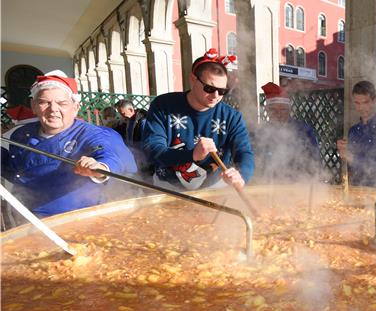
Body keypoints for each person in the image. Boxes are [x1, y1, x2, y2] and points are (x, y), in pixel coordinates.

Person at [1, 71, 136, 217]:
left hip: (81, 219)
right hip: (26, 215)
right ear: (34, 106)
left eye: (62, 103)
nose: (53, 109)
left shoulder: (92, 133)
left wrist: (99, 168)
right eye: (44, 102)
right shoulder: (20, 134)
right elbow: (13, 167)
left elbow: (109, 155)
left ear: (75, 107)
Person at [142, 49, 254, 191]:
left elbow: (244, 151)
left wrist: (242, 175)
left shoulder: (231, 116)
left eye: (222, 91)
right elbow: (152, 148)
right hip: (168, 187)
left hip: (214, 187)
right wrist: (192, 155)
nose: (215, 96)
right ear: (193, 79)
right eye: (209, 88)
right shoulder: (163, 105)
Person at [252, 82, 320, 182]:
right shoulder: (259, 132)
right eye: (274, 110)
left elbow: (315, 158)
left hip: (298, 183)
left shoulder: (304, 130)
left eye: (283, 110)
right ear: (267, 110)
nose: (278, 114)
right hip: (267, 184)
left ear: (289, 110)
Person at [336, 80, 376, 187]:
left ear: (374, 101)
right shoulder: (353, 131)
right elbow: (350, 167)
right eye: (357, 103)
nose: (361, 108)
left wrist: (354, 158)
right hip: (356, 188)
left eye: (365, 102)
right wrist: (343, 151)